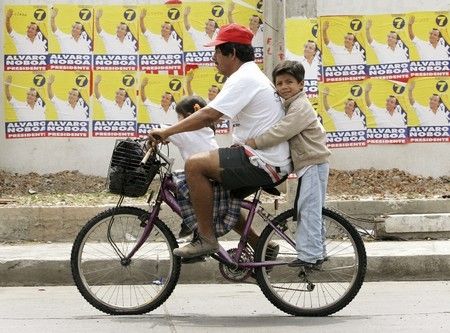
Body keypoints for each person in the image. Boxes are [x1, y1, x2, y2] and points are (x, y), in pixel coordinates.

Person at [147, 23, 291, 258]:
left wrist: (167, 132)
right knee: (216, 195)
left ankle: (206, 239)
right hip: (264, 158)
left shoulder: (244, 78)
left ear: (232, 53)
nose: (214, 58)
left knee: (194, 164)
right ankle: (262, 245)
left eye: (217, 52)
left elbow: (209, 115)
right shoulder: (248, 76)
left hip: (263, 161)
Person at [245, 60, 331, 268]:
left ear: (301, 84)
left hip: (313, 163)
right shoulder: (291, 105)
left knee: (308, 209)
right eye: (280, 83)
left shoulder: (300, 106)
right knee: (312, 208)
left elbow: (282, 131)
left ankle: (309, 256)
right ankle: (318, 252)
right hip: (310, 165)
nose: (284, 86)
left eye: (289, 82)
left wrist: (256, 142)